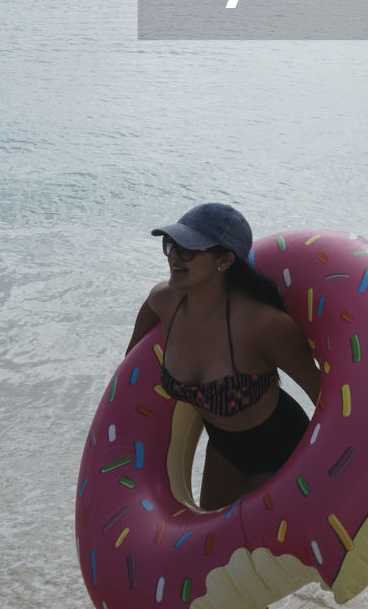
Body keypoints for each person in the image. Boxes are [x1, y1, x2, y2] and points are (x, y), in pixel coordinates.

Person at [126, 202, 321, 510]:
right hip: (222, 451)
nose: (174, 255)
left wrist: (328, 469)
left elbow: (321, 395)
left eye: (188, 249)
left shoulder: (263, 325)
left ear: (224, 260)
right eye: (171, 245)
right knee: (207, 553)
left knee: (259, 553)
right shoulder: (163, 302)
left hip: (282, 450)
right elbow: (129, 380)